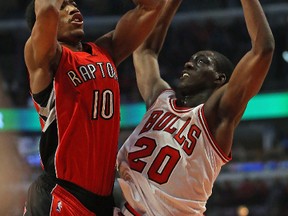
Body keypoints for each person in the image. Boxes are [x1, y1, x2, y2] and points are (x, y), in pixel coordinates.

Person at [116, 0, 275, 215]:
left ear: (220, 79)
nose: (189, 64)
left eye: (202, 62)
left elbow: (263, 50)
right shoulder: (159, 98)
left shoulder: (215, 117)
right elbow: (145, 51)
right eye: (191, 60)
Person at [23, 0, 167, 215]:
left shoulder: (106, 50)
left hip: (101, 199)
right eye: (63, 6)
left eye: (73, 3)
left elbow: (151, 8)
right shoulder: (47, 59)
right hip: (61, 193)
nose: (73, 9)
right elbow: (46, 10)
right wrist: (49, 11)